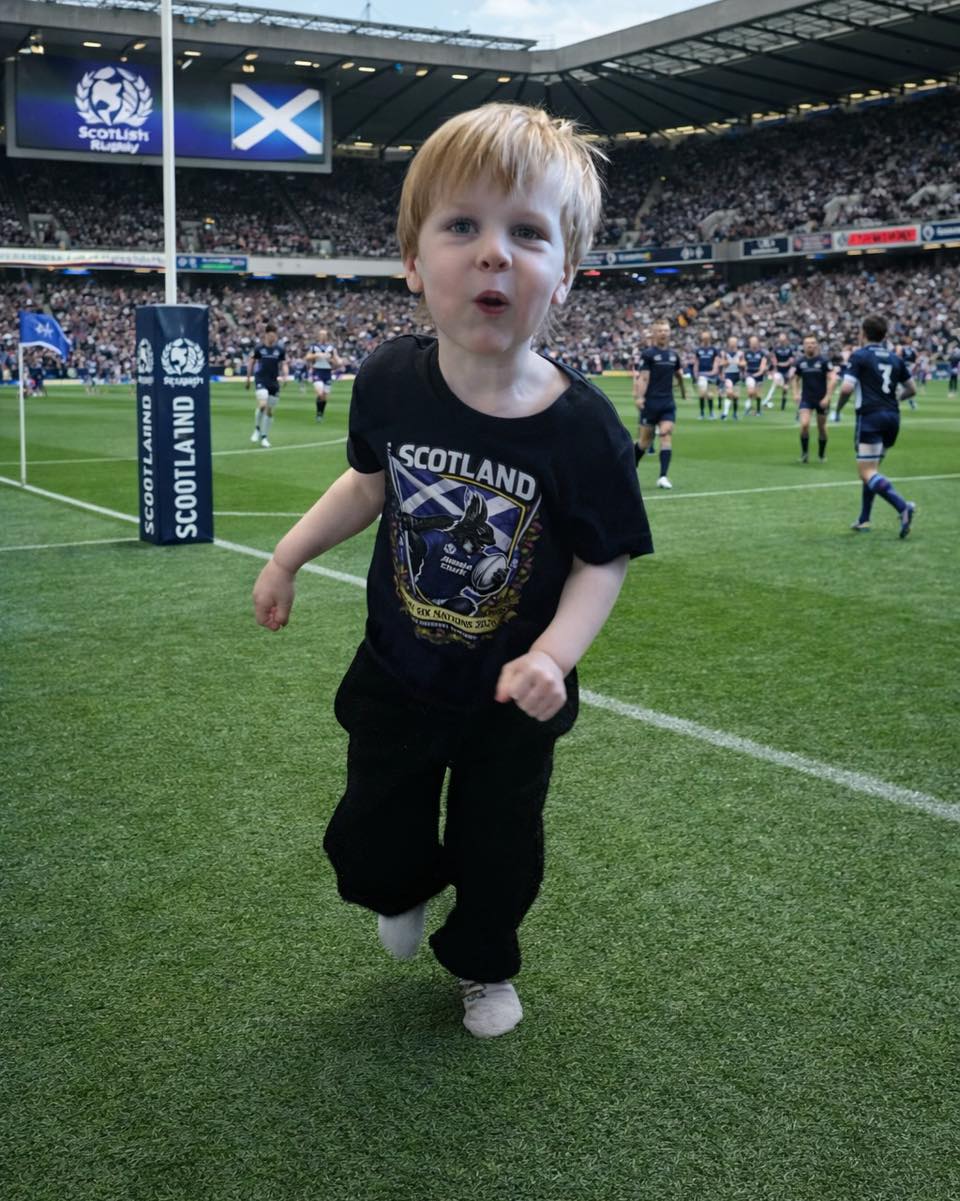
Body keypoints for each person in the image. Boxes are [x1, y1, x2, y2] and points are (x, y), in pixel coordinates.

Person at [252, 103, 652, 1039]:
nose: (493, 254)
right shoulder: (391, 378)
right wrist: (287, 555)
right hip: (400, 672)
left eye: (527, 233)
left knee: (501, 848)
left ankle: (483, 963)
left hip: (511, 702)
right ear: (413, 263)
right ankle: (399, 885)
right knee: (365, 837)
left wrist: (554, 655)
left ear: (565, 278)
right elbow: (367, 485)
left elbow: (605, 558)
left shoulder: (584, 428)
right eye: (462, 226)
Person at [836, 314, 916, 536]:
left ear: (863, 332)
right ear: (885, 335)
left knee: (866, 472)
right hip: (893, 417)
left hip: (871, 417)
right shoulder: (894, 358)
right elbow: (911, 389)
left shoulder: (859, 356)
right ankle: (864, 519)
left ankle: (903, 507)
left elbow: (846, 388)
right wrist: (893, 400)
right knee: (872, 469)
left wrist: (838, 409)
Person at [634, 317, 685, 488]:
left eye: (666, 330)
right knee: (644, 442)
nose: (663, 333)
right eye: (660, 330)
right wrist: (640, 397)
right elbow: (643, 378)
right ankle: (630, 467)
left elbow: (678, 374)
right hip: (651, 403)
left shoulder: (673, 355)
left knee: (665, 435)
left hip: (667, 404)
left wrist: (684, 390)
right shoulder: (648, 354)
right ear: (654, 333)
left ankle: (663, 476)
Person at [794, 335, 834, 462]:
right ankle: (804, 454)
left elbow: (832, 379)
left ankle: (821, 455)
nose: (810, 345)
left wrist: (827, 397)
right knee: (804, 425)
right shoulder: (800, 362)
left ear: (816, 345)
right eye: (807, 343)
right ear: (804, 346)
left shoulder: (824, 361)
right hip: (806, 398)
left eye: (812, 343)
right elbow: (795, 379)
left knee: (821, 428)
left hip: (821, 399)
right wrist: (795, 393)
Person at [246, 325, 288, 448]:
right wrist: (248, 378)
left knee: (269, 411)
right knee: (263, 404)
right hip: (261, 379)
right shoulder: (259, 348)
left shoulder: (280, 349)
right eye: (271, 334)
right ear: (266, 334)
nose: (273, 336)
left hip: (273, 382)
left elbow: (284, 363)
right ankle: (257, 429)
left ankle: (264, 436)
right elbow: (251, 362)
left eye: (275, 334)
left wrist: (285, 375)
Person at [306, 329, 344, 422]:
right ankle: (318, 414)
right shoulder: (314, 347)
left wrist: (338, 361)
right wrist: (317, 355)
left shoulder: (331, 348)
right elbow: (307, 357)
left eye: (324, 335)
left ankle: (320, 414)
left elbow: (336, 360)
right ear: (318, 336)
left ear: (327, 336)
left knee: (325, 396)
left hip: (327, 372)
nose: (322, 336)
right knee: (320, 393)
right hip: (317, 371)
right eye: (321, 335)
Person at [765, 332, 795, 410]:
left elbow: (791, 361)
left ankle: (782, 405)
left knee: (784, 389)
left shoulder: (789, 349)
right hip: (779, 371)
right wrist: (782, 364)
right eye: (781, 339)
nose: (782, 341)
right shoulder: (776, 349)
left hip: (787, 372)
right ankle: (767, 401)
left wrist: (781, 363)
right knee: (776, 382)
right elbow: (775, 362)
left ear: (786, 340)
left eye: (783, 339)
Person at [694, 330, 720, 419]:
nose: (705, 340)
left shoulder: (714, 350)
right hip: (702, 374)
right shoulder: (698, 350)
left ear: (709, 339)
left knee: (710, 395)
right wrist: (696, 374)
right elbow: (696, 363)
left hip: (711, 375)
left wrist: (714, 371)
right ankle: (701, 413)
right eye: (703, 338)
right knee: (702, 394)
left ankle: (711, 413)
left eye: (706, 338)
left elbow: (716, 362)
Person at [742, 335, 768, 416]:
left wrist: (759, 373)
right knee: (750, 391)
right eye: (752, 342)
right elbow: (744, 364)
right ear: (749, 343)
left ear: (758, 343)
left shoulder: (762, 353)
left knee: (758, 394)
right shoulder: (746, 353)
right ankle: (748, 406)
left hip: (759, 375)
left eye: (755, 342)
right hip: (749, 374)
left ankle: (758, 411)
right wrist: (745, 372)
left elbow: (763, 366)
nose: (754, 344)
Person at [719, 334, 743, 420]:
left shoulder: (740, 353)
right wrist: (727, 362)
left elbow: (743, 364)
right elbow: (721, 363)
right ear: (729, 343)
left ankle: (735, 413)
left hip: (737, 375)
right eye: (731, 342)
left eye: (734, 342)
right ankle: (725, 413)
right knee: (729, 393)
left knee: (736, 396)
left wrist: (739, 363)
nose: (733, 344)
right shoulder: (725, 353)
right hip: (728, 374)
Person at [896, 335, 918, 410]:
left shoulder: (910, 349)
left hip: (908, 368)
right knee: (904, 387)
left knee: (906, 388)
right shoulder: (904, 348)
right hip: (905, 368)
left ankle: (909, 402)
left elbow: (916, 359)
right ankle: (909, 402)